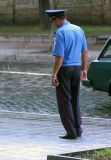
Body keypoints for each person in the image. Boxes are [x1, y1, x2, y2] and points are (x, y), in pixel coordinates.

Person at [45, 10, 88, 139]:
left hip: (64, 69)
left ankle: (71, 132)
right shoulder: (78, 29)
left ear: (57, 20)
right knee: (75, 99)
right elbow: (85, 52)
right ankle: (78, 128)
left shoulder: (60, 32)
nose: (53, 25)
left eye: (53, 22)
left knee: (64, 101)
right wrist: (83, 69)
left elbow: (60, 57)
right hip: (76, 68)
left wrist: (54, 75)